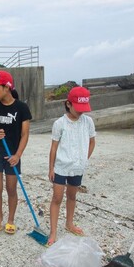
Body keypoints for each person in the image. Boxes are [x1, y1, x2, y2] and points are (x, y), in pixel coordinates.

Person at [0, 70, 32, 236]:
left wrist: (17, 155)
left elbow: (25, 135)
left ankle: (10, 220)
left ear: (7, 87)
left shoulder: (21, 108)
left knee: (11, 189)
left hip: (13, 155)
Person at [48, 86, 96, 246]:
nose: (81, 112)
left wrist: (84, 158)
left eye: (84, 108)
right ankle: (53, 232)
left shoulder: (87, 121)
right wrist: (51, 168)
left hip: (78, 167)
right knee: (57, 197)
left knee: (72, 196)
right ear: (68, 104)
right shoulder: (59, 123)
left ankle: (69, 223)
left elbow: (91, 141)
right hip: (61, 166)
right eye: (78, 108)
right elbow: (54, 147)